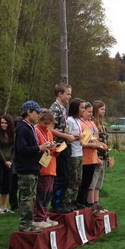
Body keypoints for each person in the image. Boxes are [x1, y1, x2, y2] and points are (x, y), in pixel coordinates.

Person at [13, 101, 56, 233]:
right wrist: (39, 148)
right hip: (25, 168)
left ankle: (30, 222)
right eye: (37, 112)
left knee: (31, 197)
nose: (38, 115)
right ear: (29, 112)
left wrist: (42, 149)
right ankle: (25, 224)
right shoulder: (22, 128)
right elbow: (22, 149)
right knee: (27, 198)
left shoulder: (29, 127)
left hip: (32, 167)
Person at [49, 82, 76, 210]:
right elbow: (50, 129)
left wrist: (70, 135)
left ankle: (62, 202)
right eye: (68, 94)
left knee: (67, 176)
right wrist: (66, 136)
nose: (70, 97)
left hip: (65, 145)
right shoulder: (54, 109)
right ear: (60, 94)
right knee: (61, 176)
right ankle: (56, 204)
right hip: (58, 147)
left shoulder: (63, 109)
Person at [88, 100, 112, 212]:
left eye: (104, 109)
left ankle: (97, 202)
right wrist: (96, 157)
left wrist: (108, 157)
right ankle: (91, 203)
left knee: (99, 182)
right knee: (93, 180)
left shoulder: (102, 124)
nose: (104, 111)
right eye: (102, 109)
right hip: (96, 156)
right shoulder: (92, 124)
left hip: (104, 155)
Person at [0, 114, 16, 214]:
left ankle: (4, 206)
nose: (3, 125)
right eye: (2, 123)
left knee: (7, 184)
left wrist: (10, 160)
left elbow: (14, 149)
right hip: (0, 161)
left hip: (9, 162)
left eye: (6, 123)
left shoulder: (13, 135)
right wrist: (4, 161)